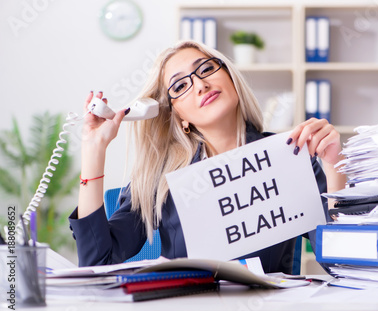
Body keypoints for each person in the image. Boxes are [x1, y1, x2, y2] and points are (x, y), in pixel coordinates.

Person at [69, 40, 346, 274]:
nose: (200, 84)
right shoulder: (160, 178)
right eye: (179, 86)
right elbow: (96, 263)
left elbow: (341, 262)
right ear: (179, 116)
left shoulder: (290, 156)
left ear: (231, 78)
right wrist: (94, 149)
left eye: (206, 69)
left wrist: (334, 166)